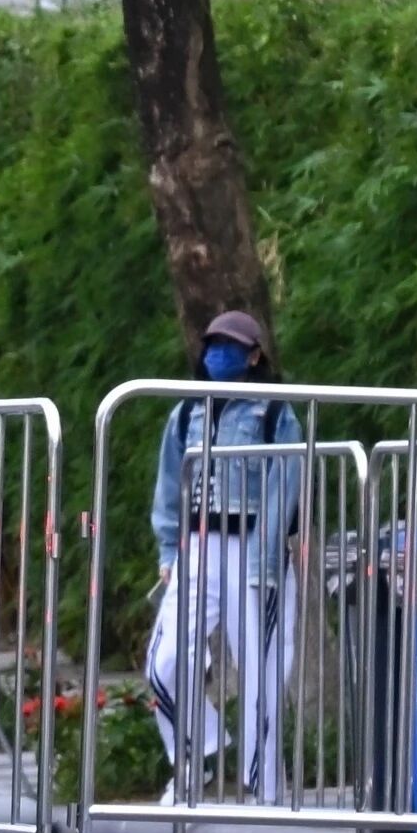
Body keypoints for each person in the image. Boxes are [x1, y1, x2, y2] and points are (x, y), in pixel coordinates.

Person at [145, 308, 307, 799]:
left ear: (254, 355)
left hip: (254, 545)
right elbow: (169, 484)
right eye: (214, 345)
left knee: (262, 671)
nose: (219, 355)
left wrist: (265, 560)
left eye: (231, 347)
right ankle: (193, 759)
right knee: (165, 662)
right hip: (197, 546)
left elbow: (285, 487)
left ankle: (265, 789)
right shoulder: (186, 413)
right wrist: (168, 549)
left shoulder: (273, 413)